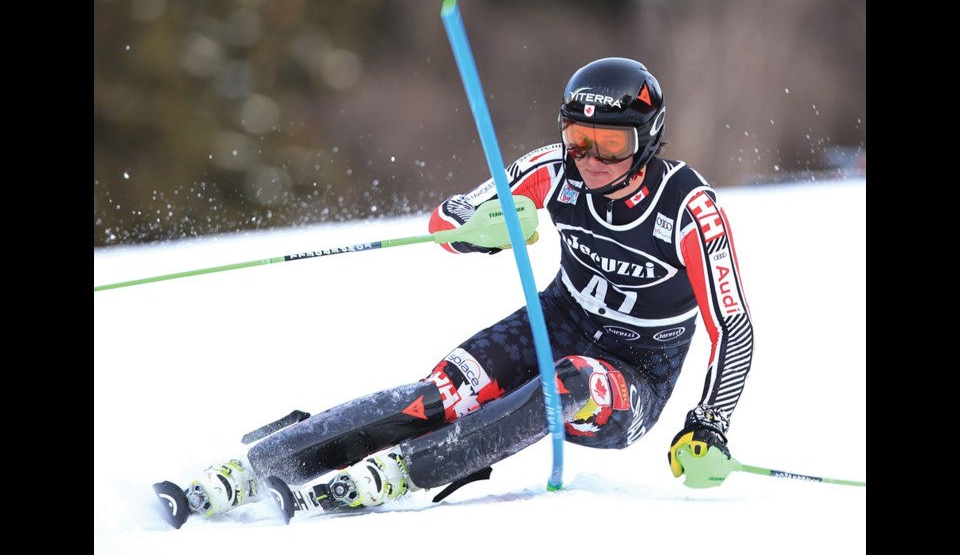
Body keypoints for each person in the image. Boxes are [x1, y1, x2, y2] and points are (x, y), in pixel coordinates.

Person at [157, 57, 754, 526]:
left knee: (569, 382)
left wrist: (710, 424)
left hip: (633, 376)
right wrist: (478, 233)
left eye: (612, 144)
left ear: (647, 139)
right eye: (578, 138)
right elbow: (449, 217)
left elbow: (734, 327)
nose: (591, 159)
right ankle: (256, 466)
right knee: (440, 394)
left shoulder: (689, 209)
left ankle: (408, 469)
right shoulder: (554, 167)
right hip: (554, 320)